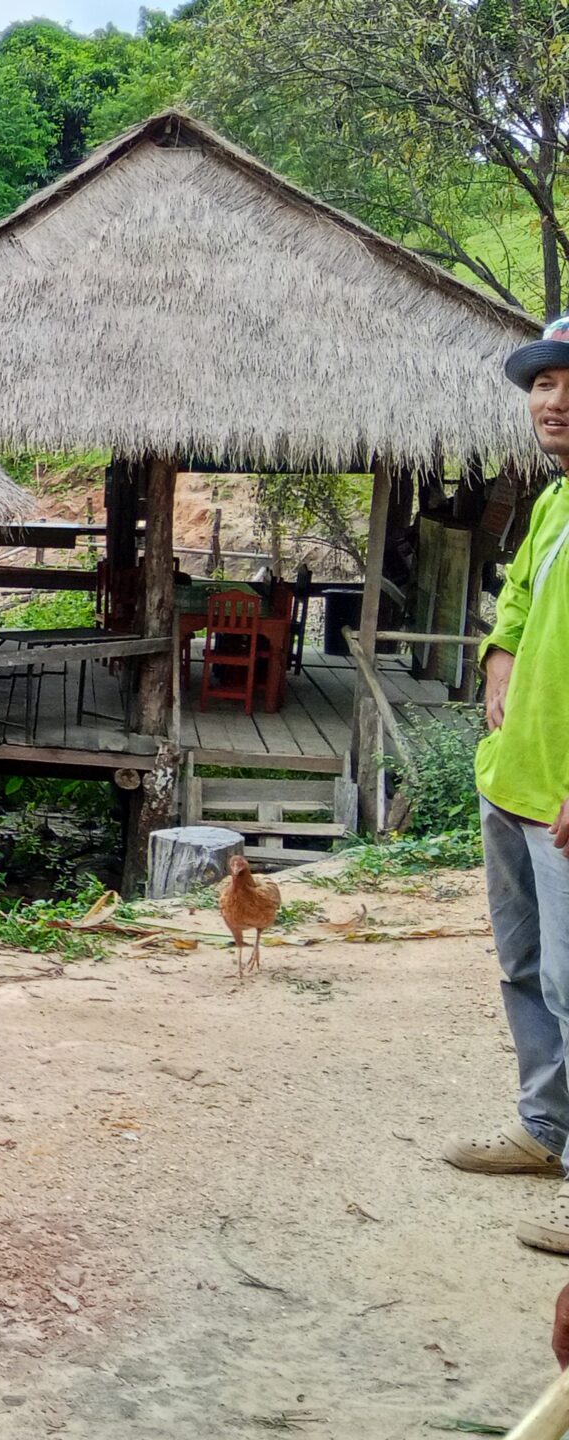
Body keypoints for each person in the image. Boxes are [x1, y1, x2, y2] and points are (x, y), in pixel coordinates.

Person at [445, 314, 569, 1254]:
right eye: (542, 384)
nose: (554, 402)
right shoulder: (556, 503)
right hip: (514, 777)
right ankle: (544, 1127)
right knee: (525, 970)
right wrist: (498, 651)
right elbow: (521, 591)